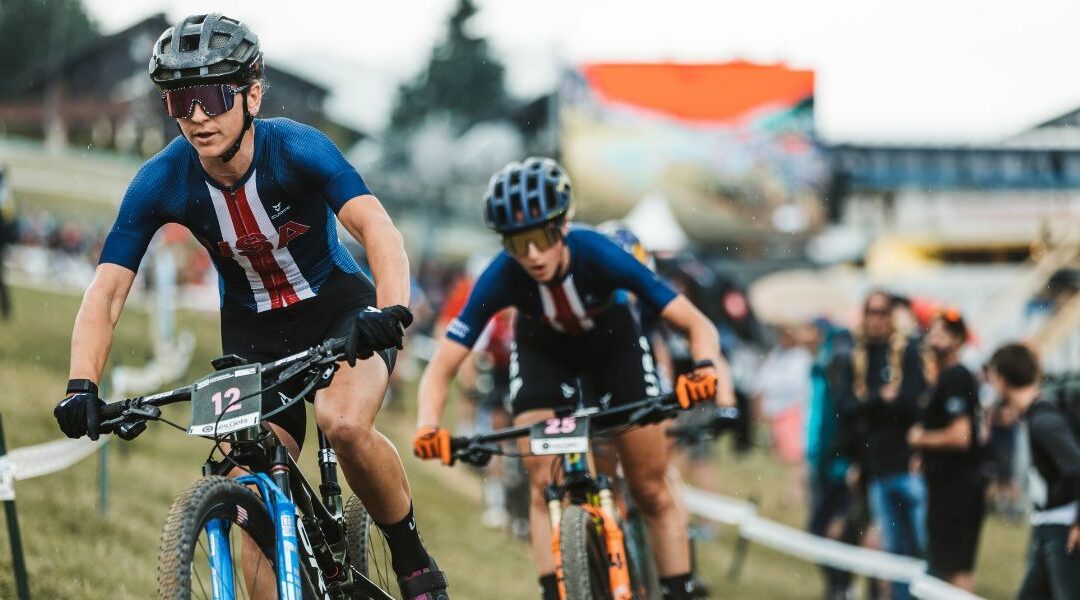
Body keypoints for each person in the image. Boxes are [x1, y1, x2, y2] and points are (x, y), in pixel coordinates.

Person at [50, 14, 448, 600]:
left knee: (341, 424)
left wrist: (387, 310)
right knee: (251, 496)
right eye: (180, 102)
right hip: (253, 334)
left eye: (211, 96)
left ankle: (413, 563)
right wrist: (81, 383)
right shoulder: (161, 180)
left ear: (251, 94)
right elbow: (107, 289)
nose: (198, 117)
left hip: (340, 310)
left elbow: (377, 227)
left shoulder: (297, 147)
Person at [412, 157, 734, 600]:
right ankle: (554, 590)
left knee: (649, 486)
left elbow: (698, 325)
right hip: (545, 353)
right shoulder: (501, 276)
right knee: (544, 480)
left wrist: (705, 369)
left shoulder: (598, 252)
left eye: (542, 237)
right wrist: (428, 423)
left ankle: (678, 588)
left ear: (564, 224)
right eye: (517, 243)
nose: (532, 256)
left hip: (613, 344)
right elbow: (443, 364)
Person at [835, 290, 928, 600]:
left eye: (882, 312)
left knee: (921, 544)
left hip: (908, 465)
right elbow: (845, 407)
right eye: (871, 312)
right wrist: (880, 399)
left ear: (891, 316)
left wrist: (870, 404)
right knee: (891, 548)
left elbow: (912, 401)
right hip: (873, 467)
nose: (876, 319)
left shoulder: (907, 352)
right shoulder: (855, 355)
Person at [986, 343, 1080, 599]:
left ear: (1003, 380)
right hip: (1047, 525)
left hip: (1063, 530)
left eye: (993, 378)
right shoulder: (1034, 415)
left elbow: (1077, 466)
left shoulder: (1043, 421)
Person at [907, 310, 986, 591]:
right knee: (944, 563)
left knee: (956, 569)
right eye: (934, 331)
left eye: (943, 333)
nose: (934, 338)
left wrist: (921, 439)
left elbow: (960, 436)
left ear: (958, 340)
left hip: (959, 488)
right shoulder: (944, 377)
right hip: (945, 486)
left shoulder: (957, 377)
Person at [752, 323, 811, 508]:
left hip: (792, 412)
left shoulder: (802, 357)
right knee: (781, 458)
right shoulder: (776, 354)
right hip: (775, 414)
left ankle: (793, 495)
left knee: (795, 458)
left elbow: (801, 388)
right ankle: (785, 494)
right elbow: (760, 383)